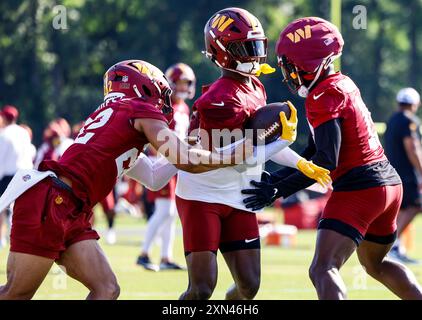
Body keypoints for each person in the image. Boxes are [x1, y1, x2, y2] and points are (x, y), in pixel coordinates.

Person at [0, 59, 251, 300]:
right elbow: (185, 160)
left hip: (70, 206)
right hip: (54, 200)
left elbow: (154, 177)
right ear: (144, 86)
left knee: (107, 289)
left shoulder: (119, 120)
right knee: (15, 294)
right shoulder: (138, 109)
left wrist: (187, 144)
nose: (165, 104)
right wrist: (234, 154)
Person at [241, 17, 422, 300]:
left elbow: (326, 160)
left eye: (290, 64)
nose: (287, 72)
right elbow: (313, 152)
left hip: (360, 188)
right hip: (388, 185)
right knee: (376, 264)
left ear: (309, 62)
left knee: (322, 269)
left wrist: (279, 189)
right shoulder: (341, 83)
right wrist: (276, 179)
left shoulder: (322, 95)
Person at [175, 8, 330, 300]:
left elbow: (259, 144)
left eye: (255, 46)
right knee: (202, 288)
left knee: (249, 286)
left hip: (240, 195)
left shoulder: (255, 85)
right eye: (244, 47)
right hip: (203, 195)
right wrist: (284, 142)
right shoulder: (217, 101)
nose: (253, 54)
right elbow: (235, 159)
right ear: (221, 51)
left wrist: (302, 163)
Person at [137, 63, 195, 271]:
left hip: (175, 162)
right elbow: (155, 137)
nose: (182, 87)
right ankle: (143, 253)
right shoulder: (165, 106)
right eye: (178, 82)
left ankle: (165, 257)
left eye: (185, 83)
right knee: (164, 211)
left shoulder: (184, 108)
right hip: (162, 161)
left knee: (170, 213)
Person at [384, 87, 421, 263]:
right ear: (414, 104)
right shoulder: (409, 120)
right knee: (415, 206)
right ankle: (392, 245)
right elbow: (412, 148)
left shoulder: (392, 120)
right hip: (406, 173)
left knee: (404, 209)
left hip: (392, 171)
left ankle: (395, 247)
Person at [0, 106, 34, 248]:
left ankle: (2, 239)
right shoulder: (23, 132)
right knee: (20, 209)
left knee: (2, 208)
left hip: (8, 176)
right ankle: (21, 239)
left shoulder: (3, 134)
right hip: (25, 175)